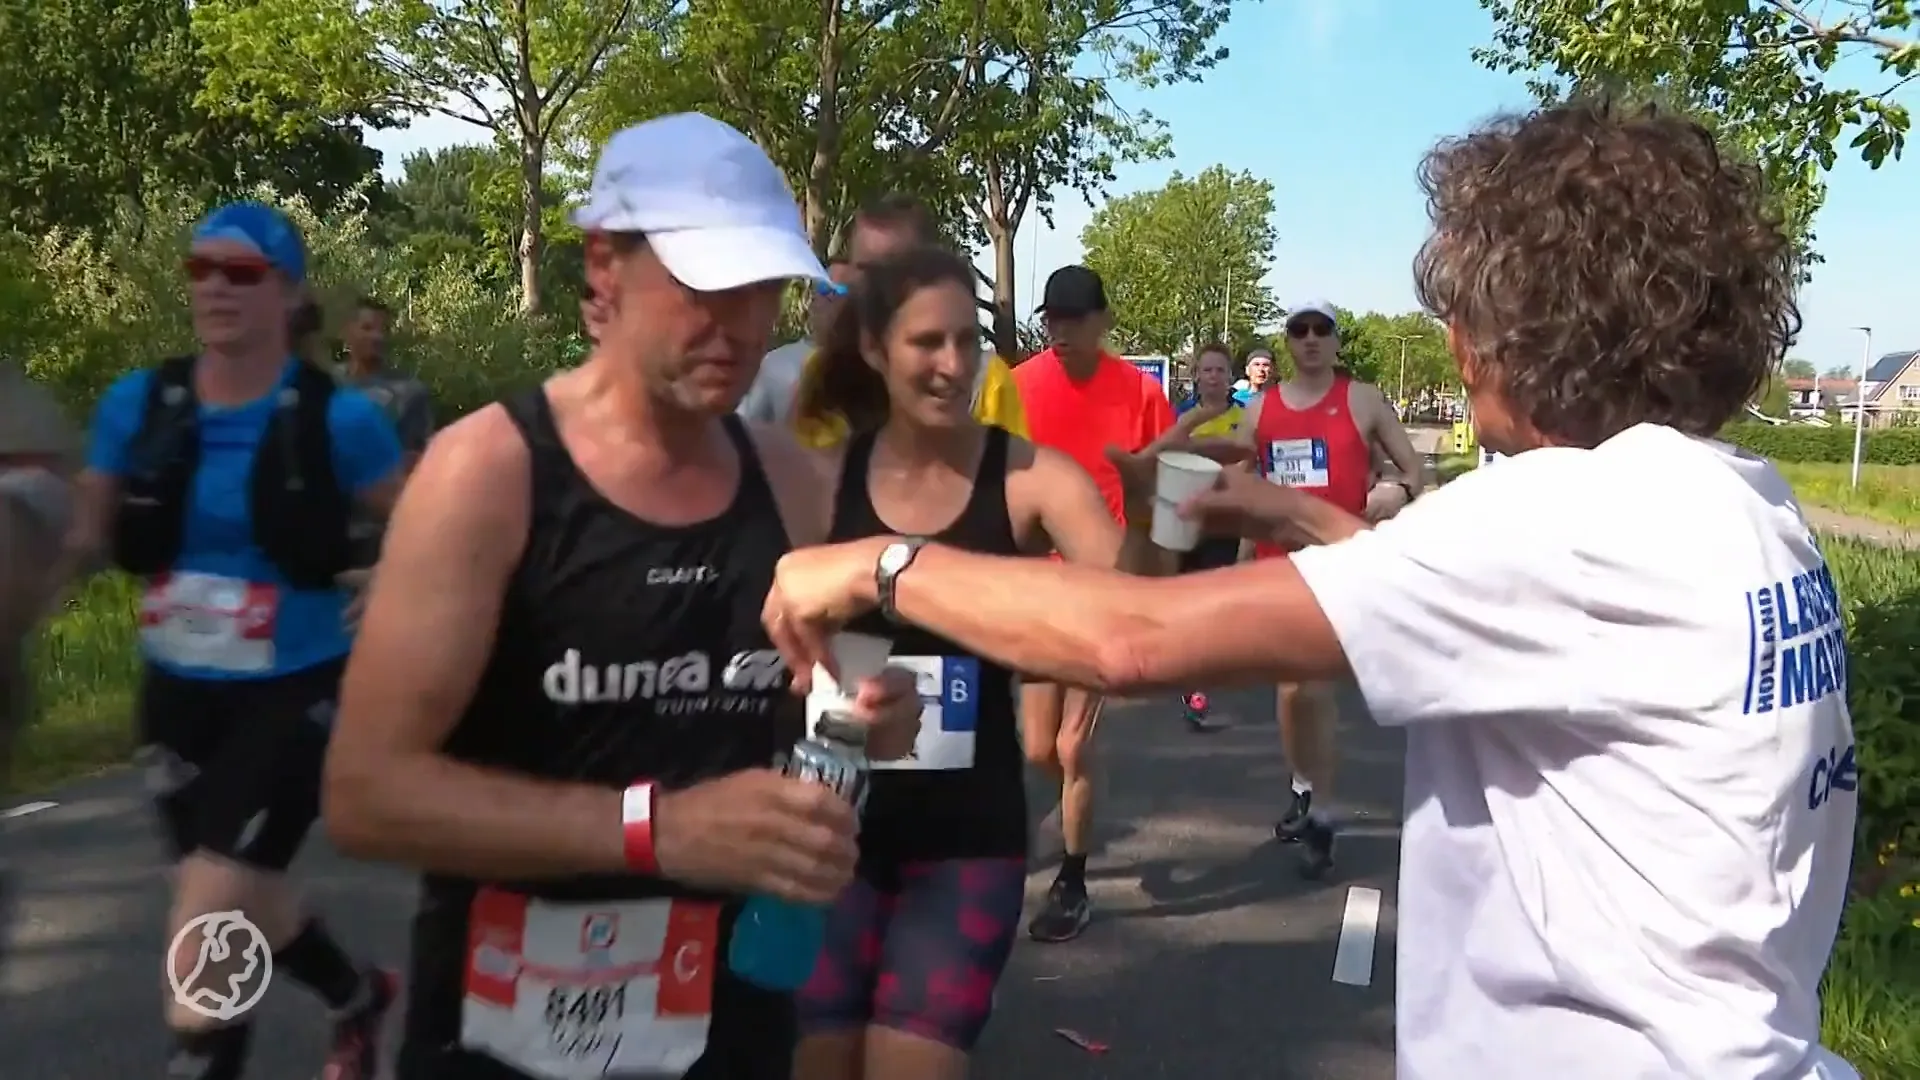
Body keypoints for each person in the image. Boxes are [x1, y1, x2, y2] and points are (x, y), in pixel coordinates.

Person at [758, 97, 1858, 1080]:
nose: (1455, 341)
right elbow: (1493, 594)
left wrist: (883, 564)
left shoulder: (1564, 519)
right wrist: (1290, 515)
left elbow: (1132, 639)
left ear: (1518, 332)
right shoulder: (1742, 506)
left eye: (1463, 311)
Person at [317, 111, 922, 1080]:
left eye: (762, 287)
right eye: (705, 285)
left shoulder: (794, 482)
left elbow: (843, 715)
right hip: (502, 1033)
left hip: (727, 1020)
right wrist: (658, 832)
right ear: (604, 264)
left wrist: (878, 722)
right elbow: (364, 797)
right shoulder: (488, 475)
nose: (740, 324)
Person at [789, 246, 1170, 1080]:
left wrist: (1147, 512)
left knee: (906, 1065)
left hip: (967, 838)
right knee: (822, 1058)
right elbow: (760, 644)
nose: (955, 364)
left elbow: (1142, 620)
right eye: (928, 342)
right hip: (831, 831)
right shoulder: (818, 481)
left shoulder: (1029, 476)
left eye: (968, 340)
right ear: (874, 348)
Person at [56, 201, 407, 1080]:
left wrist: (392, 581)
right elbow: (84, 533)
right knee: (236, 891)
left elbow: (434, 524)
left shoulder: (338, 420)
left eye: (240, 272)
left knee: (209, 907)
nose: (214, 287)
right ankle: (355, 996)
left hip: (296, 689)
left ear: (287, 294)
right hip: (177, 692)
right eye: (200, 269)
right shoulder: (142, 403)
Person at [1231, 297, 1424, 877]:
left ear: (1336, 342)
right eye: (1300, 330)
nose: (1311, 339)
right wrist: (1240, 561)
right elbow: (1239, 490)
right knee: (1291, 693)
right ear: (1288, 342)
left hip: (1340, 564)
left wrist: (1394, 492)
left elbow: (1413, 470)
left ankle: (1324, 813)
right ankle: (1303, 787)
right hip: (1278, 567)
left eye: (1322, 330)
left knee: (1314, 689)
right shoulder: (1260, 409)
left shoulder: (1361, 399)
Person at [1011, 264, 1176, 942]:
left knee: (1072, 743)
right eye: (1052, 319)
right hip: (1036, 593)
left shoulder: (1140, 393)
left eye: (1075, 319)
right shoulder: (1018, 387)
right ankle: (1073, 802)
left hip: (1104, 590)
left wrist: (1159, 579)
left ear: (1103, 321)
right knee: (1038, 748)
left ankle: (1072, 882)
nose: (1061, 332)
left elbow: (1168, 490)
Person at [791, 195, 1027, 447]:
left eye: (893, 271)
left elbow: (1016, 468)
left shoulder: (984, 380)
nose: (876, 286)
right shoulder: (821, 375)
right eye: (865, 270)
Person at [1170, 343, 1246, 730]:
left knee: (1213, 602)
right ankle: (1191, 681)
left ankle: (1200, 680)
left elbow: (1252, 462)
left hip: (1225, 520)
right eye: (1207, 370)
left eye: (1220, 370)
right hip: (1185, 516)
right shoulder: (1181, 415)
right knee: (1187, 601)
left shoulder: (1244, 417)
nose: (1213, 376)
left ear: (1230, 376)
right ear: (1196, 376)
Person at [338, 295, 434, 566]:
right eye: (367, 328)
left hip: (377, 532)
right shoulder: (324, 384)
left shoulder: (408, 392)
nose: (377, 337)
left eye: (383, 330)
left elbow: (414, 463)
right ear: (347, 332)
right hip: (323, 527)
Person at [740, 262, 850, 425]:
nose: (831, 296)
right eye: (824, 289)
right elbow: (745, 427)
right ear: (812, 301)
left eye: (841, 290)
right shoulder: (775, 364)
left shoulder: (872, 367)